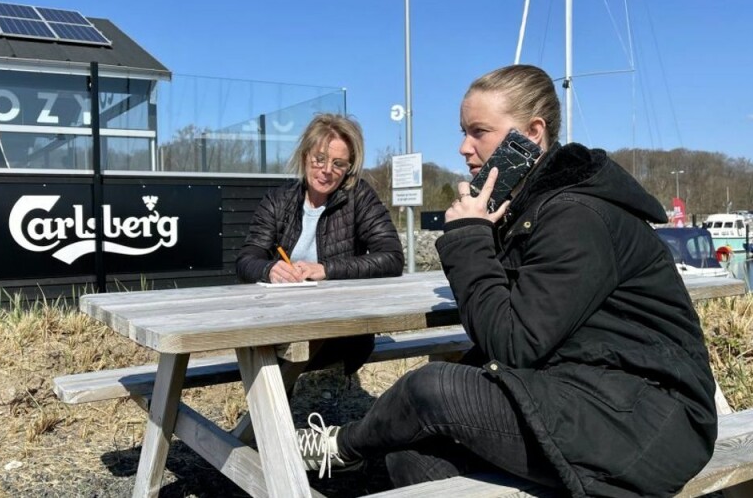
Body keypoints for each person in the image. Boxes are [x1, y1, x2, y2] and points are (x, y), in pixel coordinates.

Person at [295, 64, 717, 497]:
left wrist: (469, 236)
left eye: (479, 131)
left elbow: (513, 342)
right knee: (412, 457)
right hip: (581, 390)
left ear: (531, 134)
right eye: (464, 131)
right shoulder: (528, 210)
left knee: (431, 386)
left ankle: (341, 445)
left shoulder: (576, 216)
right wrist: (486, 231)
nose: (463, 147)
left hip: (648, 418)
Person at [236, 113, 404, 373]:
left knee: (279, 366)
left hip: (342, 329)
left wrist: (325, 269)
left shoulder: (359, 197)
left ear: (349, 167)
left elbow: (392, 257)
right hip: (280, 323)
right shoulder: (278, 200)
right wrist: (269, 269)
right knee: (268, 357)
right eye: (320, 159)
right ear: (305, 157)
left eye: (339, 163)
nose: (327, 170)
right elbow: (246, 260)